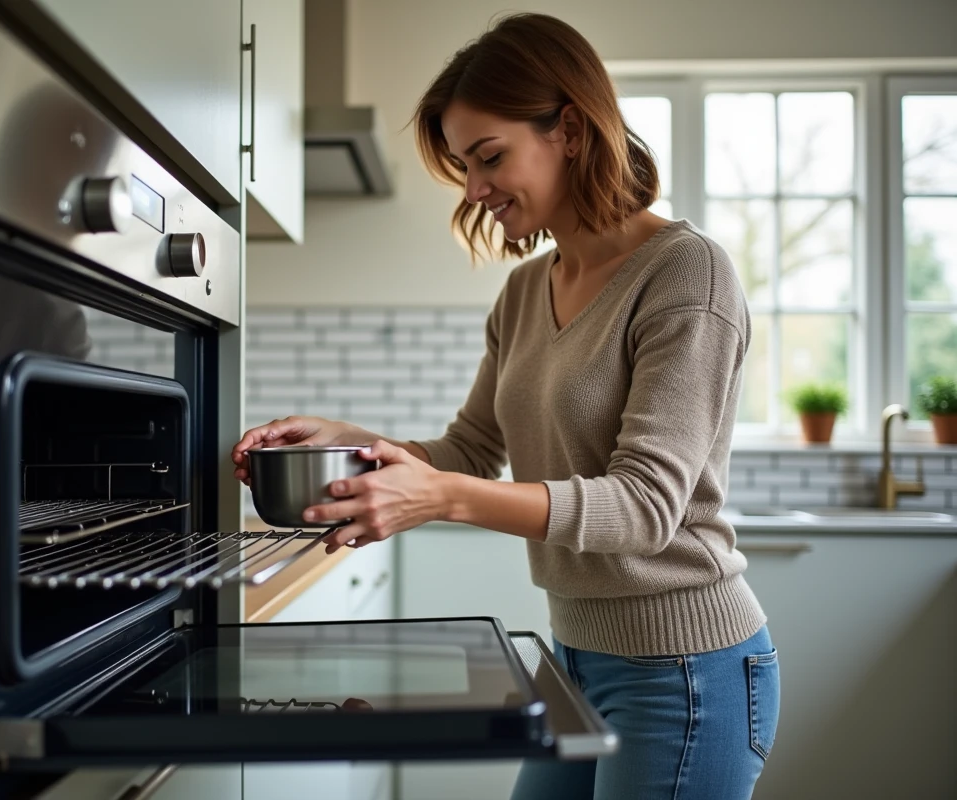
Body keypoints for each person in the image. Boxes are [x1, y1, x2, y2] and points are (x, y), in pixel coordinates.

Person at [231, 12, 778, 800]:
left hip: (687, 674)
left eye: (490, 157)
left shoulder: (687, 274)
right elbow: (472, 448)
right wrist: (353, 439)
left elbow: (645, 506)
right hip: (579, 656)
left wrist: (443, 499)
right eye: (464, 165)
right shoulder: (525, 290)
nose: (475, 189)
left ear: (571, 130)